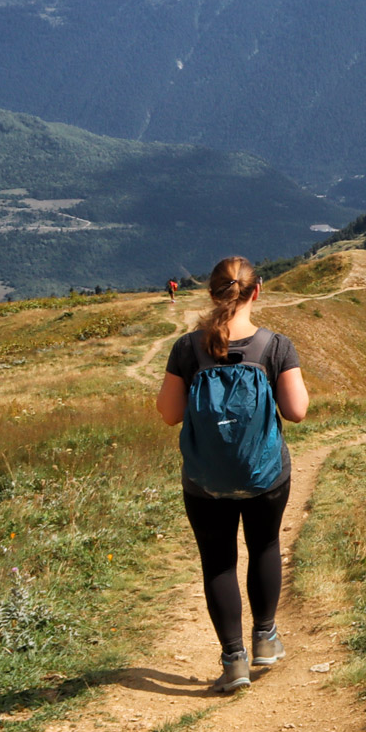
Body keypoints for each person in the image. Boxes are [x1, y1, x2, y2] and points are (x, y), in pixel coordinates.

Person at [154, 256, 310, 693]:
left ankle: (233, 661)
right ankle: (265, 638)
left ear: (211, 293)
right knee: (264, 546)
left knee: (218, 563)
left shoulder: (188, 349)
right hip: (266, 476)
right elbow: (297, 412)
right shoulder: (276, 346)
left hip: (205, 481)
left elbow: (169, 415)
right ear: (256, 291)